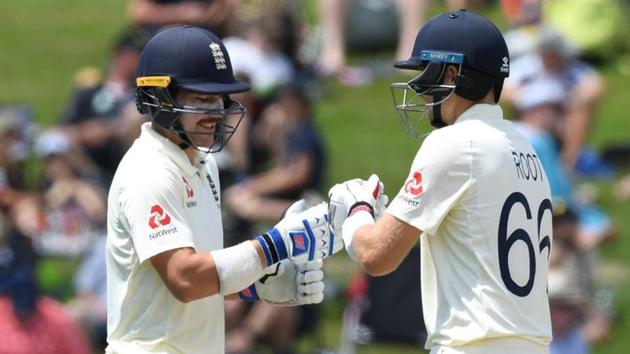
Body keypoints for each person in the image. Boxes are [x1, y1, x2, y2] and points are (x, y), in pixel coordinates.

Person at [329, 10, 553, 354]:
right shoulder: (526, 146)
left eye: (425, 73)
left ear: (451, 74)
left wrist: (356, 211)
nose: (420, 90)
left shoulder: (455, 142)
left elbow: (376, 256)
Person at [106, 26, 340, 354]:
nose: (215, 112)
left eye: (219, 98)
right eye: (202, 99)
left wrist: (258, 284)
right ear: (160, 98)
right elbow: (184, 278)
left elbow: (203, 271)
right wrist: (273, 246)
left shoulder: (204, 163)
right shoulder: (148, 172)